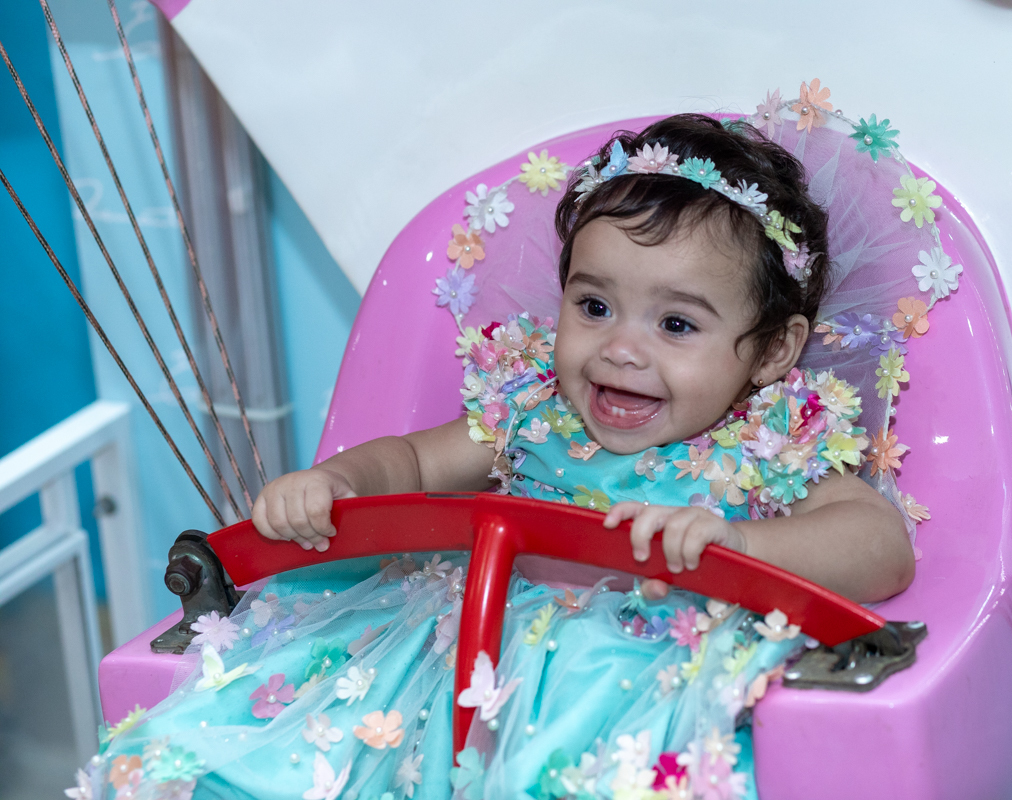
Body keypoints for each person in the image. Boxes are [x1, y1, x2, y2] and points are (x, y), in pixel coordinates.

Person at [77, 109, 933, 800]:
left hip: (627, 681)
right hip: (450, 654)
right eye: (593, 306)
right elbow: (411, 465)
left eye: (676, 324)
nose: (621, 348)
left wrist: (740, 544)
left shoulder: (766, 442)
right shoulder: (531, 410)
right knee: (293, 751)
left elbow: (879, 543)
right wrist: (333, 482)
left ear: (774, 351)